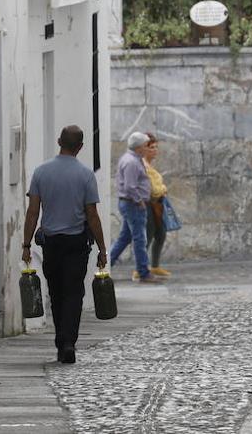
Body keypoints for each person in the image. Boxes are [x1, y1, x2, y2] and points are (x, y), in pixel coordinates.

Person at [21, 125, 108, 365]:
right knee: (74, 292)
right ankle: (68, 341)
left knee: (56, 292)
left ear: (59, 141)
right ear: (80, 147)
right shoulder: (86, 175)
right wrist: (102, 248)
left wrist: (26, 244)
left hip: (51, 244)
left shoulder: (41, 172)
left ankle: (62, 340)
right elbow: (92, 215)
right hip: (77, 243)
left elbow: (32, 212)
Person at [109, 131, 163, 284]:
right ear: (140, 147)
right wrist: (140, 201)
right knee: (140, 238)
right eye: (147, 145)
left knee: (124, 238)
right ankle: (143, 272)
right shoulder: (132, 162)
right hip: (133, 204)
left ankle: (106, 265)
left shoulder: (133, 159)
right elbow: (130, 186)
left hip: (131, 203)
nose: (148, 148)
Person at [143, 133, 171, 279]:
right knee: (147, 236)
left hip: (157, 206)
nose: (155, 150)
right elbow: (152, 190)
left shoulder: (149, 165)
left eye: (156, 147)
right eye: (152, 147)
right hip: (149, 205)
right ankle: (141, 268)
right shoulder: (144, 166)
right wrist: (163, 189)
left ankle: (154, 266)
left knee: (160, 234)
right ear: (145, 149)